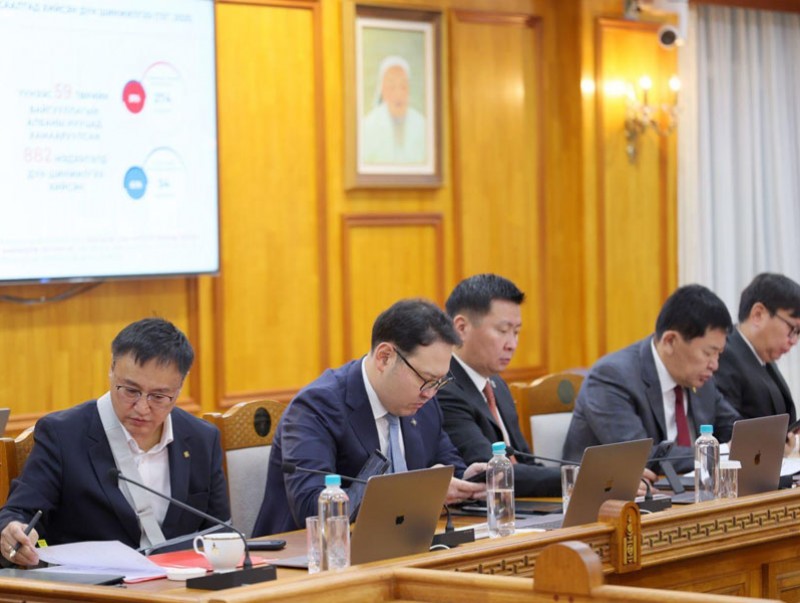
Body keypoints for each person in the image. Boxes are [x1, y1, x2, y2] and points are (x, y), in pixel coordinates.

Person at [0, 318, 229, 566]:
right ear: (111, 369)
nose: (142, 408)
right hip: (91, 582)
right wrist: (13, 530)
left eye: (158, 396)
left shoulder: (201, 439)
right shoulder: (62, 434)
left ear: (180, 386)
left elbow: (221, 533)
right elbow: (20, 513)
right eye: (130, 390)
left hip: (180, 582)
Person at [252, 299, 485, 536]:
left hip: (402, 542)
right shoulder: (317, 406)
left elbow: (445, 466)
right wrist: (418, 494)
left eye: (439, 381)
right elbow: (312, 508)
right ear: (385, 357)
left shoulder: (424, 404)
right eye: (426, 379)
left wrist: (468, 480)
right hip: (311, 551)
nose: (431, 393)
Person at [563, 284, 741, 473]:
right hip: (610, 490)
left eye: (719, 354)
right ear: (670, 341)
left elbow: (735, 430)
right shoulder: (611, 377)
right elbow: (642, 458)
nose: (714, 365)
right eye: (708, 353)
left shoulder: (699, 377)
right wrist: (721, 452)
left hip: (686, 488)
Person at [437, 274, 561, 497]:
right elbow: (493, 472)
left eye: (516, 332)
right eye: (503, 331)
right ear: (461, 328)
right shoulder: (444, 388)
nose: (512, 344)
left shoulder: (497, 385)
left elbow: (524, 461)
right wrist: (575, 476)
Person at [715, 273, 800, 428]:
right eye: (793, 329)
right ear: (758, 314)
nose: (794, 341)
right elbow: (729, 428)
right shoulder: (723, 355)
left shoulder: (763, 357)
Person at [360, 55, 427, 165]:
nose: (398, 94)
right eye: (391, 87)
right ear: (382, 90)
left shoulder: (422, 125)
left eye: (403, 86)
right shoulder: (367, 126)